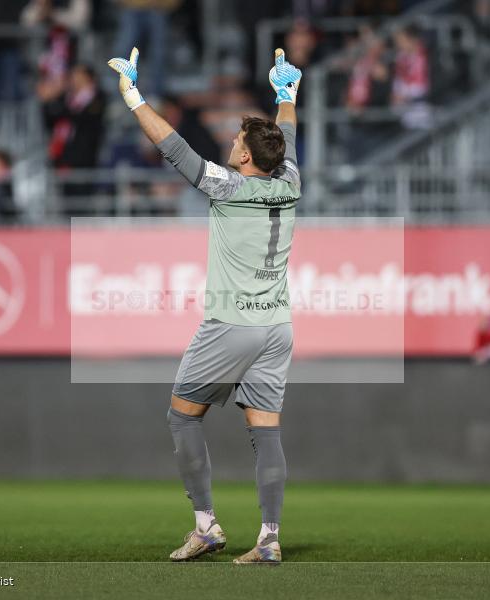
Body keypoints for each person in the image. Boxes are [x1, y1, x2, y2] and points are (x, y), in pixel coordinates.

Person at [107, 46, 302, 564]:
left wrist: (133, 97)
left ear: (245, 158)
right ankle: (269, 538)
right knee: (266, 432)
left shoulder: (230, 187)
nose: (232, 143)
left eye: (237, 141)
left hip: (231, 324)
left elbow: (175, 149)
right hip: (277, 327)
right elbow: (287, 138)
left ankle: (207, 525)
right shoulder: (290, 181)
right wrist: (287, 95)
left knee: (182, 417)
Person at [39, 64, 107, 214]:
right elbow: (51, 121)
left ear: (89, 78)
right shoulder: (67, 98)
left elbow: (85, 119)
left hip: (84, 159)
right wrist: (47, 101)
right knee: (66, 203)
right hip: (63, 157)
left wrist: (63, 102)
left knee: (82, 203)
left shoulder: (98, 97)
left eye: (78, 76)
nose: (74, 79)